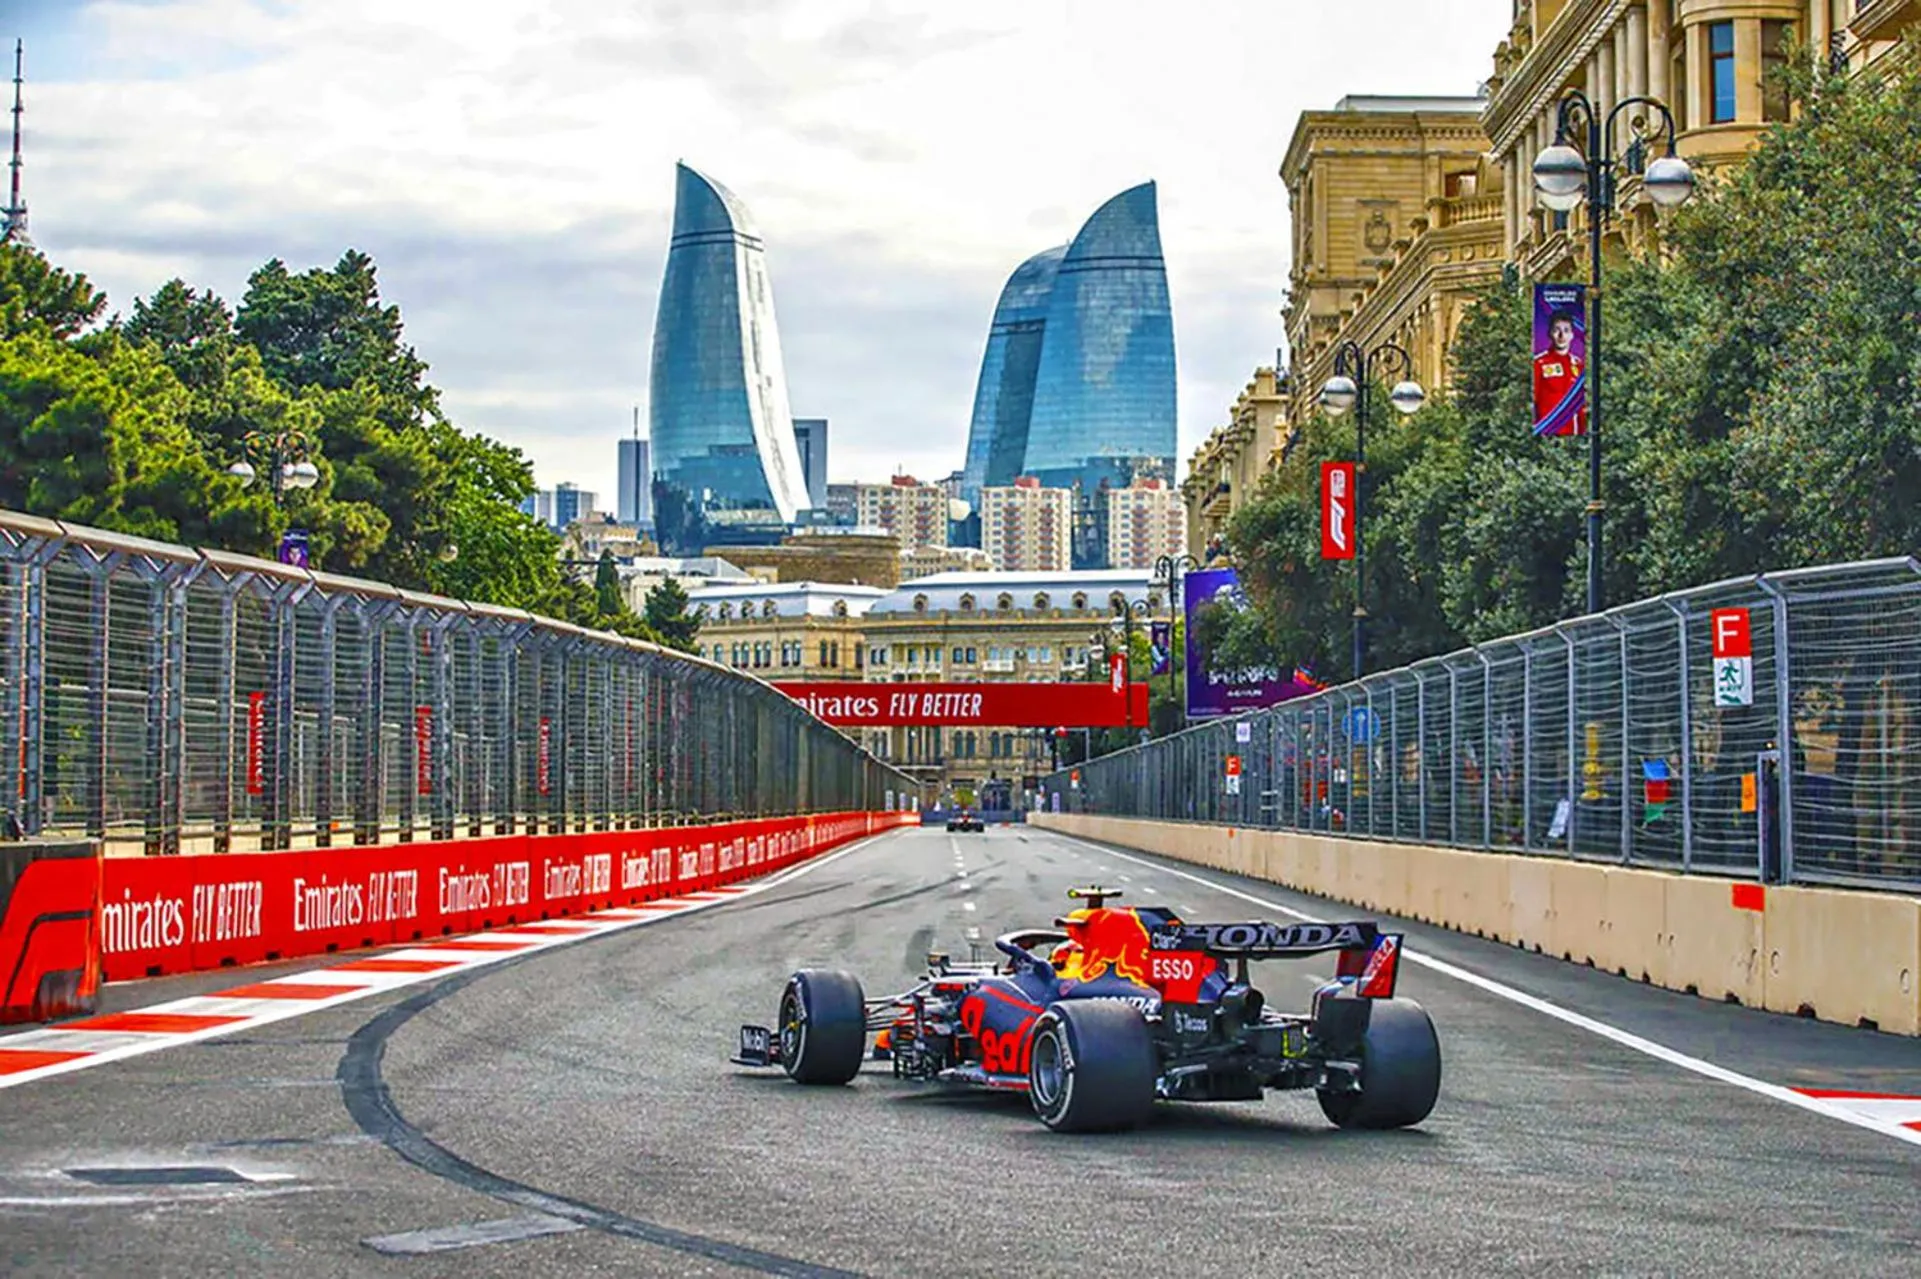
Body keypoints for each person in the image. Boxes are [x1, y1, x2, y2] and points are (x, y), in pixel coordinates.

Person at [1533, 307, 1587, 436]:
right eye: (1557, 330)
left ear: (1572, 335)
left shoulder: (1579, 365)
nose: (1561, 335)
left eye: (1566, 330)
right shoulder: (1539, 363)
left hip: (1573, 435)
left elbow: (1581, 406)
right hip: (1547, 432)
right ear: (1550, 333)